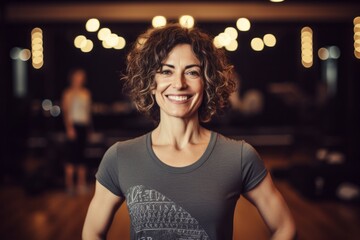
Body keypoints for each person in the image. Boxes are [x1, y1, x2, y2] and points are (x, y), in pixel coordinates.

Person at [83, 24, 296, 240]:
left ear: (207, 83)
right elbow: (92, 232)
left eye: (192, 72)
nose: (179, 83)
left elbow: (285, 228)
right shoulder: (120, 157)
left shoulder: (239, 156)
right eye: (166, 71)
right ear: (151, 83)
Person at [61, 69, 92, 195]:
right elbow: (66, 112)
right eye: (78, 77)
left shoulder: (86, 93)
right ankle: (69, 185)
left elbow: (88, 113)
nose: (80, 79)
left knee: (82, 156)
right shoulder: (68, 93)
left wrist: (89, 129)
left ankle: (81, 184)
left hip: (83, 127)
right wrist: (69, 128)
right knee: (71, 156)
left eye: (82, 77)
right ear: (73, 78)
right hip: (74, 127)